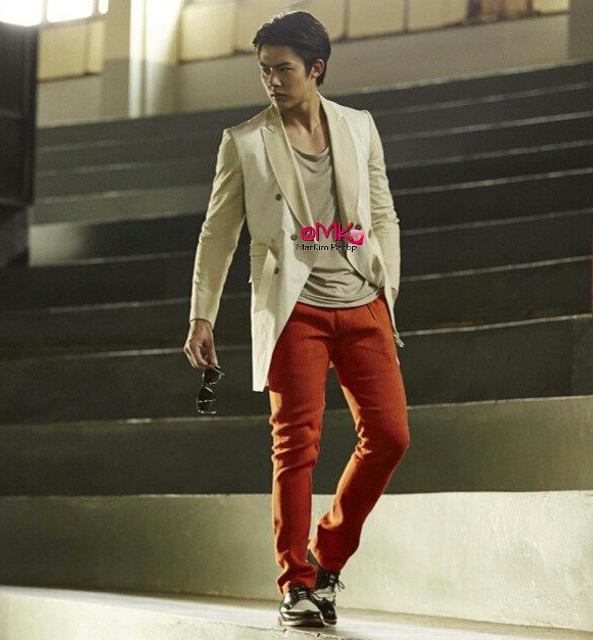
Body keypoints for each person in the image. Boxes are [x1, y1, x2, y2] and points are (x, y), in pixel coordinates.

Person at [183, 10, 410, 628]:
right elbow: (217, 233)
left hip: (362, 300)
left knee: (390, 436)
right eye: (264, 70)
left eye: (283, 69)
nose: (272, 81)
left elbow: (383, 212)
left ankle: (327, 555)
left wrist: (387, 283)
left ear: (316, 69)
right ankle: (296, 584)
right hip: (293, 309)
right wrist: (203, 315)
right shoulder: (244, 141)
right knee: (295, 446)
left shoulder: (359, 126)